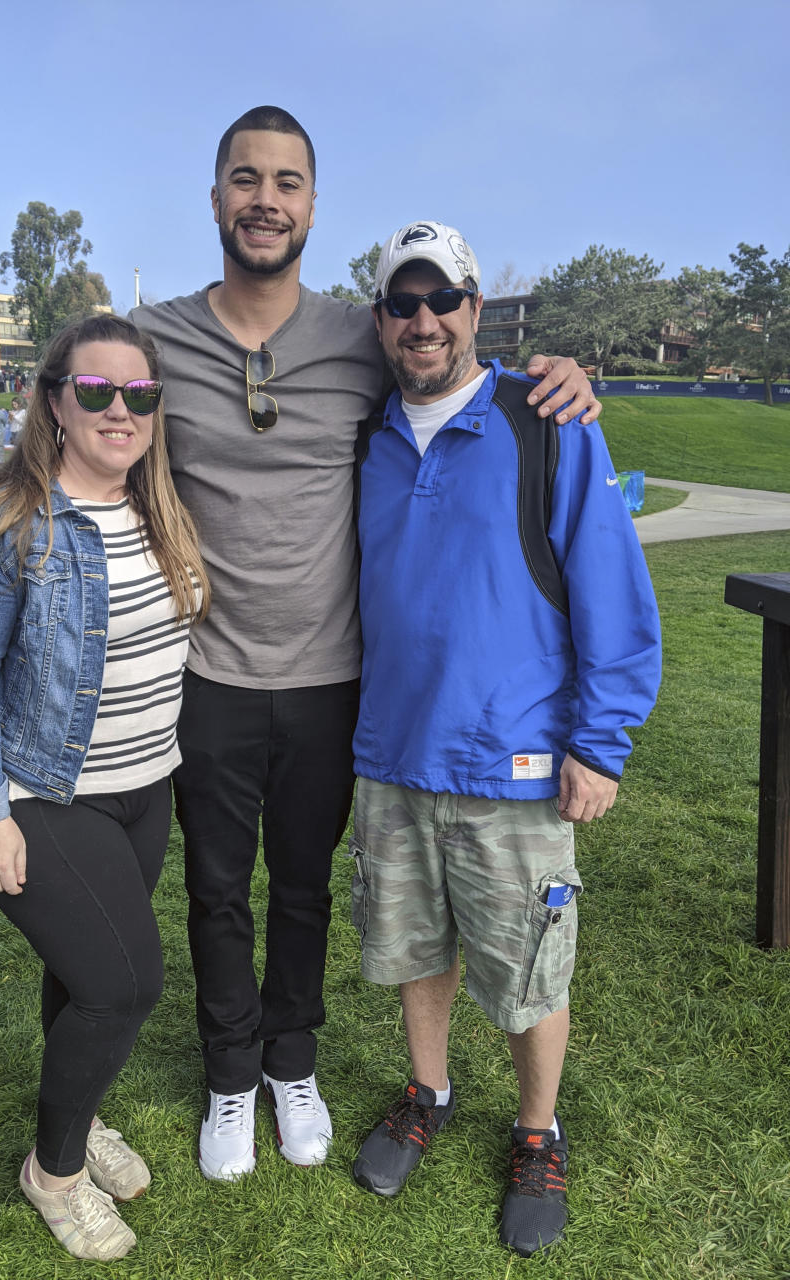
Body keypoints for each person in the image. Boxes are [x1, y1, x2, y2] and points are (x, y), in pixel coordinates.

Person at [0, 106, 602, 1184]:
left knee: (306, 888)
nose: (266, 200)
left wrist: (551, 375)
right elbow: (71, 428)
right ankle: (232, 1074)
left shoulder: (356, 336)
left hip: (335, 679)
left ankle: (294, 1060)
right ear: (217, 197)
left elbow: (451, 371)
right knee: (217, 888)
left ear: (313, 204)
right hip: (210, 674)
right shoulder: (162, 339)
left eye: (288, 181)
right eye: (247, 178)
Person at [347, 222, 662, 1257]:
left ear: (478, 311)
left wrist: (600, 741)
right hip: (394, 749)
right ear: (383, 319)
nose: (424, 320)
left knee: (531, 964)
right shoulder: (371, 433)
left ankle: (538, 1127)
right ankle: (427, 1089)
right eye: (404, 301)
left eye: (445, 299)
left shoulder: (547, 420)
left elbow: (612, 590)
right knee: (415, 944)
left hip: (516, 758)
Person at [0, 313, 210, 1261]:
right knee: (125, 986)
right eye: (95, 391)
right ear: (54, 400)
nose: (120, 410)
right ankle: (56, 1173)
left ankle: (76, 1123)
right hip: (46, 792)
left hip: (146, 786)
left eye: (140, 395)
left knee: (79, 975)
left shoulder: (161, 506)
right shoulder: (4, 521)